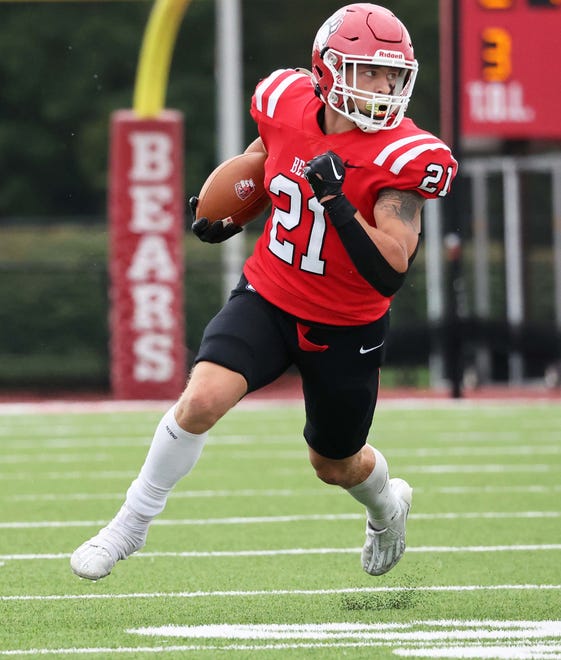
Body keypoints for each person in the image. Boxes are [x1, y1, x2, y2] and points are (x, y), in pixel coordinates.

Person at [71, 2, 457, 581]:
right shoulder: (285, 101)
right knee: (200, 400)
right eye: (367, 71)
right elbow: (264, 155)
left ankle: (385, 507)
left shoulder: (404, 155)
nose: (382, 87)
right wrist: (228, 207)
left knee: (334, 463)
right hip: (270, 294)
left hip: (346, 323)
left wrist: (336, 201)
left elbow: (392, 268)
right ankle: (129, 525)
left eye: (390, 74)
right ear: (326, 70)